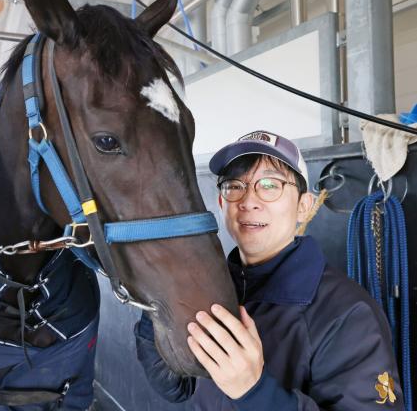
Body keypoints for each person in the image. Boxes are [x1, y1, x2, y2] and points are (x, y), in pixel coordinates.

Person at [134, 130, 405, 410]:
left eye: (270, 185)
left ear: (303, 206)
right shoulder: (211, 290)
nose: (248, 200)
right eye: (234, 186)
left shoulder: (348, 315)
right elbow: (176, 386)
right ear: (221, 204)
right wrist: (156, 298)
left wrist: (255, 392)